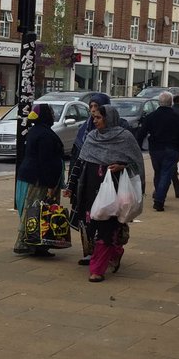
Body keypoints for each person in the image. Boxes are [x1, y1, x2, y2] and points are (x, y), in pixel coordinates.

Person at [66, 104, 146, 281]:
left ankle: (97, 270)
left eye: (99, 118)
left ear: (109, 118)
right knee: (92, 227)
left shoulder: (124, 137)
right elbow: (81, 162)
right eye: (94, 118)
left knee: (106, 228)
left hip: (115, 192)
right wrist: (70, 187)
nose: (95, 121)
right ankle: (115, 251)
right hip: (90, 191)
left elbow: (137, 164)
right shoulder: (92, 137)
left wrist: (122, 166)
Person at [13, 104, 67, 258]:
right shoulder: (45, 135)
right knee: (37, 210)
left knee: (35, 210)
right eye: (50, 112)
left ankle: (38, 244)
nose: (52, 114)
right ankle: (25, 243)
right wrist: (50, 185)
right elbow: (46, 161)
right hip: (39, 180)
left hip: (31, 176)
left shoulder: (35, 132)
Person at [139, 91, 179, 211]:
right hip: (172, 148)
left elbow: (142, 133)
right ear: (171, 102)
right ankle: (159, 199)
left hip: (155, 149)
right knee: (166, 174)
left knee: (158, 172)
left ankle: (158, 194)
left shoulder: (151, 116)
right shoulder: (177, 117)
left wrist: (138, 146)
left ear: (159, 102)